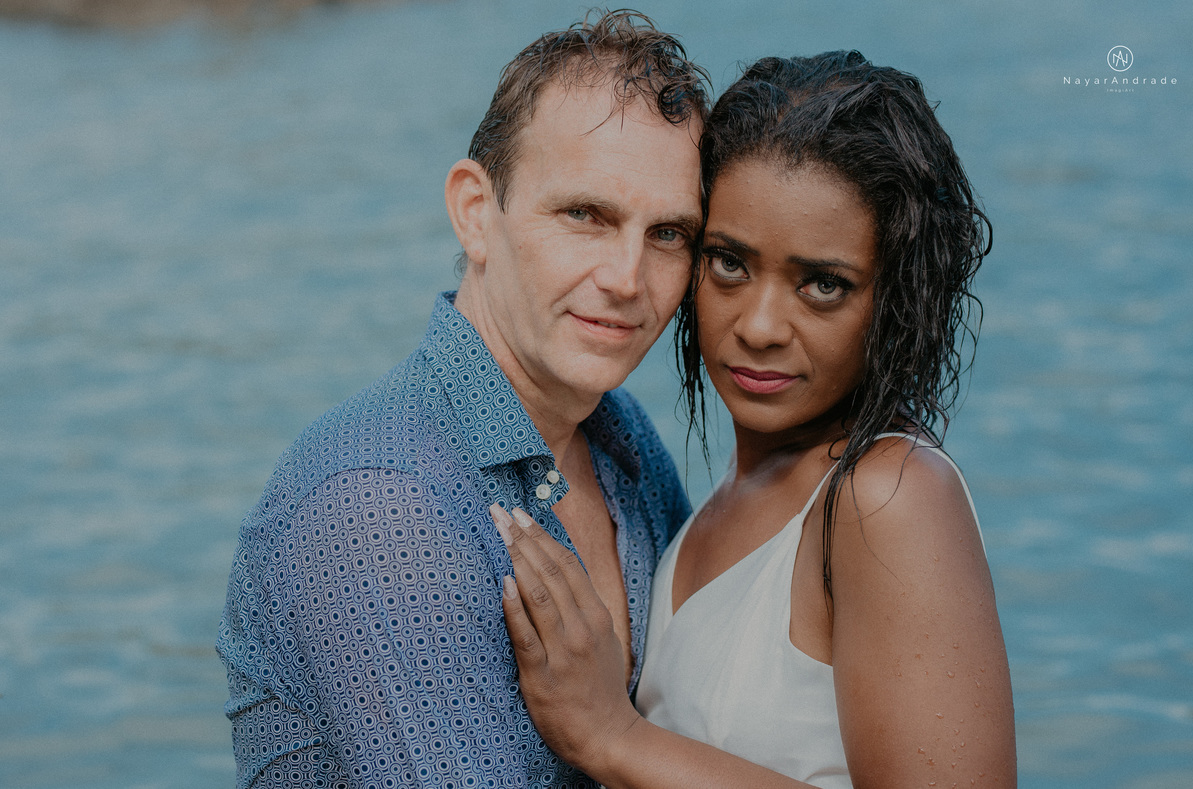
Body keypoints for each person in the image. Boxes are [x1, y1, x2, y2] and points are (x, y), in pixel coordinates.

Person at [492, 51, 1017, 788]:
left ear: (894, 302)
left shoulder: (891, 496)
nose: (762, 325)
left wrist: (613, 736)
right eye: (730, 262)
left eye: (823, 284)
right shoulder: (722, 496)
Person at [216, 10, 708, 787]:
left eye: (669, 234)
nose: (627, 277)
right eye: (586, 214)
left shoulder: (624, 439)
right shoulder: (378, 508)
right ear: (476, 211)